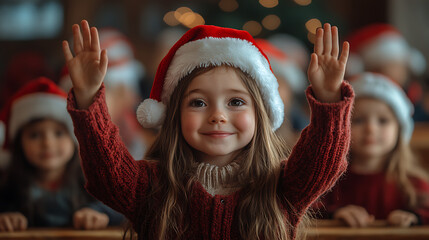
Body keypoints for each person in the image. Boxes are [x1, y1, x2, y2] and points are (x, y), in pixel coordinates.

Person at [62, 20, 353, 240]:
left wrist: (329, 100)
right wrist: (89, 100)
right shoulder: (151, 186)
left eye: (236, 102)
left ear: (261, 114)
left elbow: (322, 162)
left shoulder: (281, 185)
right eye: (198, 102)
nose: (218, 116)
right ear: (174, 115)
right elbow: (106, 173)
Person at [0, 77, 124, 232]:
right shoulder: (8, 185)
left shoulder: (91, 180)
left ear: (74, 139)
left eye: (58, 133)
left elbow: (121, 207)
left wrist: (99, 213)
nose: (47, 143)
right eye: (34, 135)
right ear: (19, 143)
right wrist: (6, 216)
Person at [313, 72, 429, 227]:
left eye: (383, 121)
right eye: (359, 120)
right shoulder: (328, 181)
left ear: (399, 130)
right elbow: (307, 209)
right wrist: (335, 214)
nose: (371, 129)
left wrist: (414, 218)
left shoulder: (413, 183)